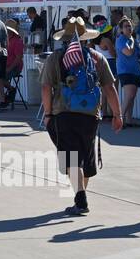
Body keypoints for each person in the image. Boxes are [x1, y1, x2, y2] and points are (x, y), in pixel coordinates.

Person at [41, 16, 122, 216]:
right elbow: (109, 88)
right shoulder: (96, 57)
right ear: (86, 37)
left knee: (71, 159)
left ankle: (80, 198)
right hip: (90, 114)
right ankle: (80, 195)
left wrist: (48, 113)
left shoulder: (56, 57)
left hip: (63, 113)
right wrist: (118, 114)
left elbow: (45, 87)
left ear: (65, 38)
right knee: (85, 157)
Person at [115, 18, 140, 121]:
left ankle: (128, 120)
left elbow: (139, 53)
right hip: (125, 71)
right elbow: (128, 52)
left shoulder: (132, 39)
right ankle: (119, 120)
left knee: (132, 97)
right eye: (126, 26)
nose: (129, 28)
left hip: (134, 70)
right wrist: (131, 40)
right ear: (121, 29)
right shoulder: (121, 39)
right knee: (129, 96)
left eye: (130, 25)